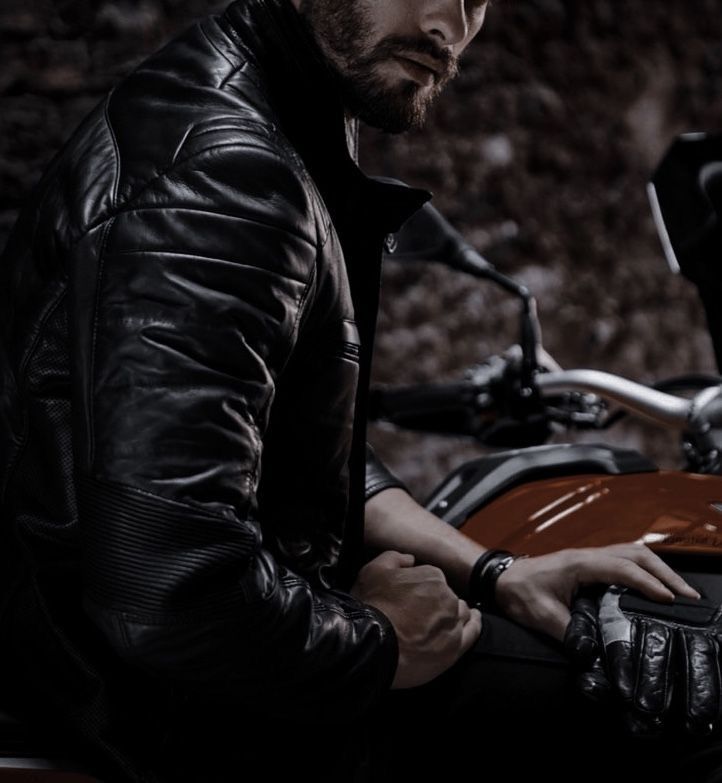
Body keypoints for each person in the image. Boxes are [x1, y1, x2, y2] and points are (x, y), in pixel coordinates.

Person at [0, 1, 719, 781]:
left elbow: (282, 442)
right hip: (150, 708)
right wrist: (377, 642)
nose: (451, 28)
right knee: (672, 707)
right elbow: (165, 587)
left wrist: (493, 572)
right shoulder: (224, 176)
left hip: (118, 666)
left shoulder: (265, 107)